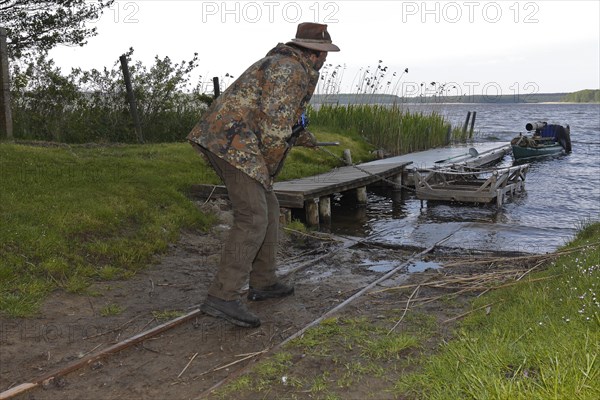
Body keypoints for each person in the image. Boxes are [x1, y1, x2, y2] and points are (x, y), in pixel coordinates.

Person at [187, 23, 340, 328]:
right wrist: (268, 170)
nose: (326, 59)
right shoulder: (290, 70)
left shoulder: (292, 66)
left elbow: (284, 118)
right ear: (314, 52)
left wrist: (303, 136)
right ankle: (222, 296)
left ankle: (263, 282)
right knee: (254, 215)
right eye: (324, 53)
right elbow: (273, 131)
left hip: (238, 141)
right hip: (232, 143)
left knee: (268, 207)